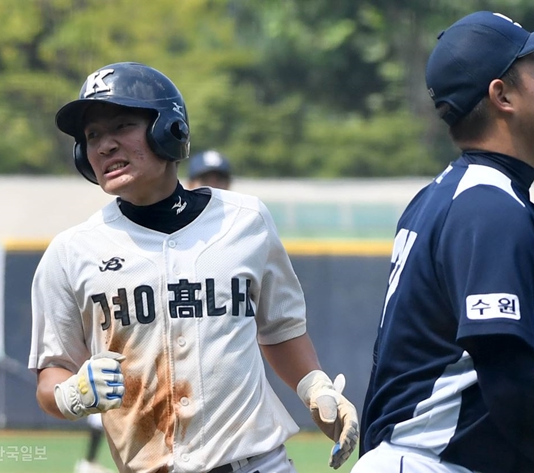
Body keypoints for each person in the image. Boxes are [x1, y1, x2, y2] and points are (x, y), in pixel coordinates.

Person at [29, 61, 359, 473]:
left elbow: (279, 330)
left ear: (169, 130)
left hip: (257, 464)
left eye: (122, 126)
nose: (104, 146)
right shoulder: (70, 252)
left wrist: (315, 387)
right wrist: (70, 393)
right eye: (92, 136)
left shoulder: (246, 221)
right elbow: (52, 374)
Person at [352, 11, 534, 473]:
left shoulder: (447, 195)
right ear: (502, 95)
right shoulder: (488, 207)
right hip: (429, 463)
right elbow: (506, 369)